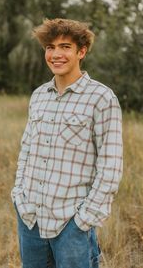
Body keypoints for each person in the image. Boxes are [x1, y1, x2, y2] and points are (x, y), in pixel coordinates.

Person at [11, 18, 123, 268]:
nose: (56, 54)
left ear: (81, 51)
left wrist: (84, 220)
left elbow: (111, 167)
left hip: (70, 225)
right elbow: (26, 150)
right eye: (50, 47)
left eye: (65, 47)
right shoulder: (39, 96)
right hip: (30, 218)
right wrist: (19, 196)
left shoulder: (102, 98)